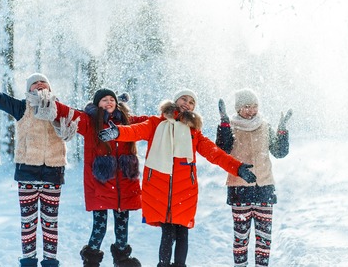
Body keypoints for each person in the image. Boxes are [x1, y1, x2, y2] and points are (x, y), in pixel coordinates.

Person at [98, 89, 257, 267]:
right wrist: (117, 133)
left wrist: (238, 168)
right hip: (158, 188)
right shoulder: (156, 123)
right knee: (168, 232)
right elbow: (135, 131)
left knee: (182, 233)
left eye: (191, 102)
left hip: (185, 192)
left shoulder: (193, 133)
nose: (187, 103)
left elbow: (215, 154)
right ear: (175, 100)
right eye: (184, 99)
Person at [0, 56, 65, 267]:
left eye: (43, 82)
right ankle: (28, 262)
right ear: (29, 89)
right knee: (28, 224)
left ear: (50, 87)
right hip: (27, 175)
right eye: (34, 82)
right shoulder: (21, 108)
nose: (39, 84)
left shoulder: (59, 110)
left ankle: (51, 263)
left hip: (53, 174)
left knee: (50, 224)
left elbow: (84, 119)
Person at [48, 89, 147, 267]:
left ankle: (122, 259)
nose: (109, 102)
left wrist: (170, 115)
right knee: (99, 228)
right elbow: (69, 113)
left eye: (112, 99)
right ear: (96, 104)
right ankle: (91, 259)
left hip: (123, 183)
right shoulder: (90, 122)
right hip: (101, 183)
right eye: (104, 100)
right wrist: (51, 103)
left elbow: (150, 123)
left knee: (122, 227)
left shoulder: (127, 120)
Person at [215, 88, 291, 267]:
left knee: (264, 239)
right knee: (241, 238)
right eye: (246, 106)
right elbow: (222, 150)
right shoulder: (231, 127)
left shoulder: (265, 126)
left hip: (264, 188)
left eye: (254, 106)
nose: (251, 110)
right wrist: (224, 123)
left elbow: (279, 152)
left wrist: (282, 130)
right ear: (238, 108)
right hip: (239, 189)